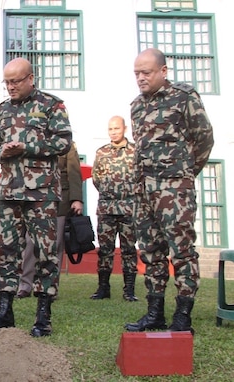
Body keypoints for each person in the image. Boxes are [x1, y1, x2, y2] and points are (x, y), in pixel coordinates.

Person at [125, 48, 214, 334]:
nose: (140, 78)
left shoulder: (184, 96)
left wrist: (184, 174)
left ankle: (183, 315)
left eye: (146, 72)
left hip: (175, 191)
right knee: (150, 252)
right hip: (144, 191)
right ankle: (155, 313)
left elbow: (204, 139)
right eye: (137, 73)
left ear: (163, 71)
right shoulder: (136, 105)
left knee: (182, 251)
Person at [0, 57, 72, 337]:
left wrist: (26, 147)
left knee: (46, 253)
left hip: (42, 194)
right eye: (7, 82)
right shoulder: (2, 110)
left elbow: (63, 141)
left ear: (31, 78)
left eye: (16, 81)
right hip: (10, 192)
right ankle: (4, 311)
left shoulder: (51, 105)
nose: (10, 87)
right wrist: (2, 152)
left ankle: (43, 314)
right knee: (5, 250)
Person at [17, 143, 83, 299]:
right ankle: (26, 284)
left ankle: (49, 287)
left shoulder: (67, 144)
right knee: (30, 242)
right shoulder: (32, 141)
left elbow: (74, 172)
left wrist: (77, 199)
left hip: (60, 200)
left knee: (55, 244)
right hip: (35, 198)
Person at [90, 116, 138, 301]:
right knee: (105, 250)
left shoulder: (135, 151)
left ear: (124, 128)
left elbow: (140, 176)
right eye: (110, 129)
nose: (114, 132)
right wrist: (109, 191)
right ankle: (103, 288)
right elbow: (96, 178)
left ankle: (129, 290)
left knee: (129, 250)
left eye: (117, 128)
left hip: (129, 208)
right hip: (106, 209)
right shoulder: (101, 153)